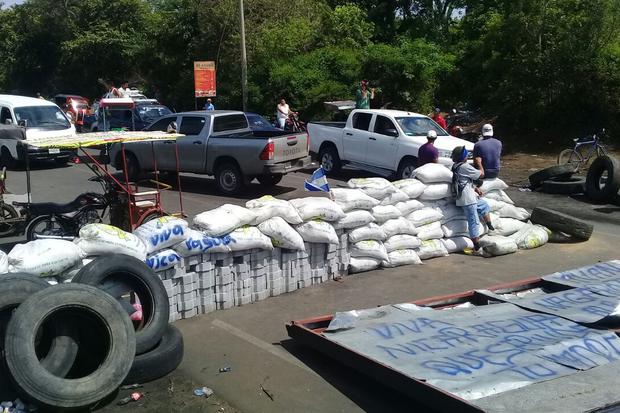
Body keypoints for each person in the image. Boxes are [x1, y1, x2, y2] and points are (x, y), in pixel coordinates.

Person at [451, 146, 495, 256]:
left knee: (484, 205)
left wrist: (475, 188)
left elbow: (464, 180)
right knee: (473, 221)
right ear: (463, 157)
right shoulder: (464, 166)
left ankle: (489, 226)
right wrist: (479, 163)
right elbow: (481, 174)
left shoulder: (456, 166)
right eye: (466, 154)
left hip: (468, 197)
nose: (467, 156)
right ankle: (476, 246)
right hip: (468, 199)